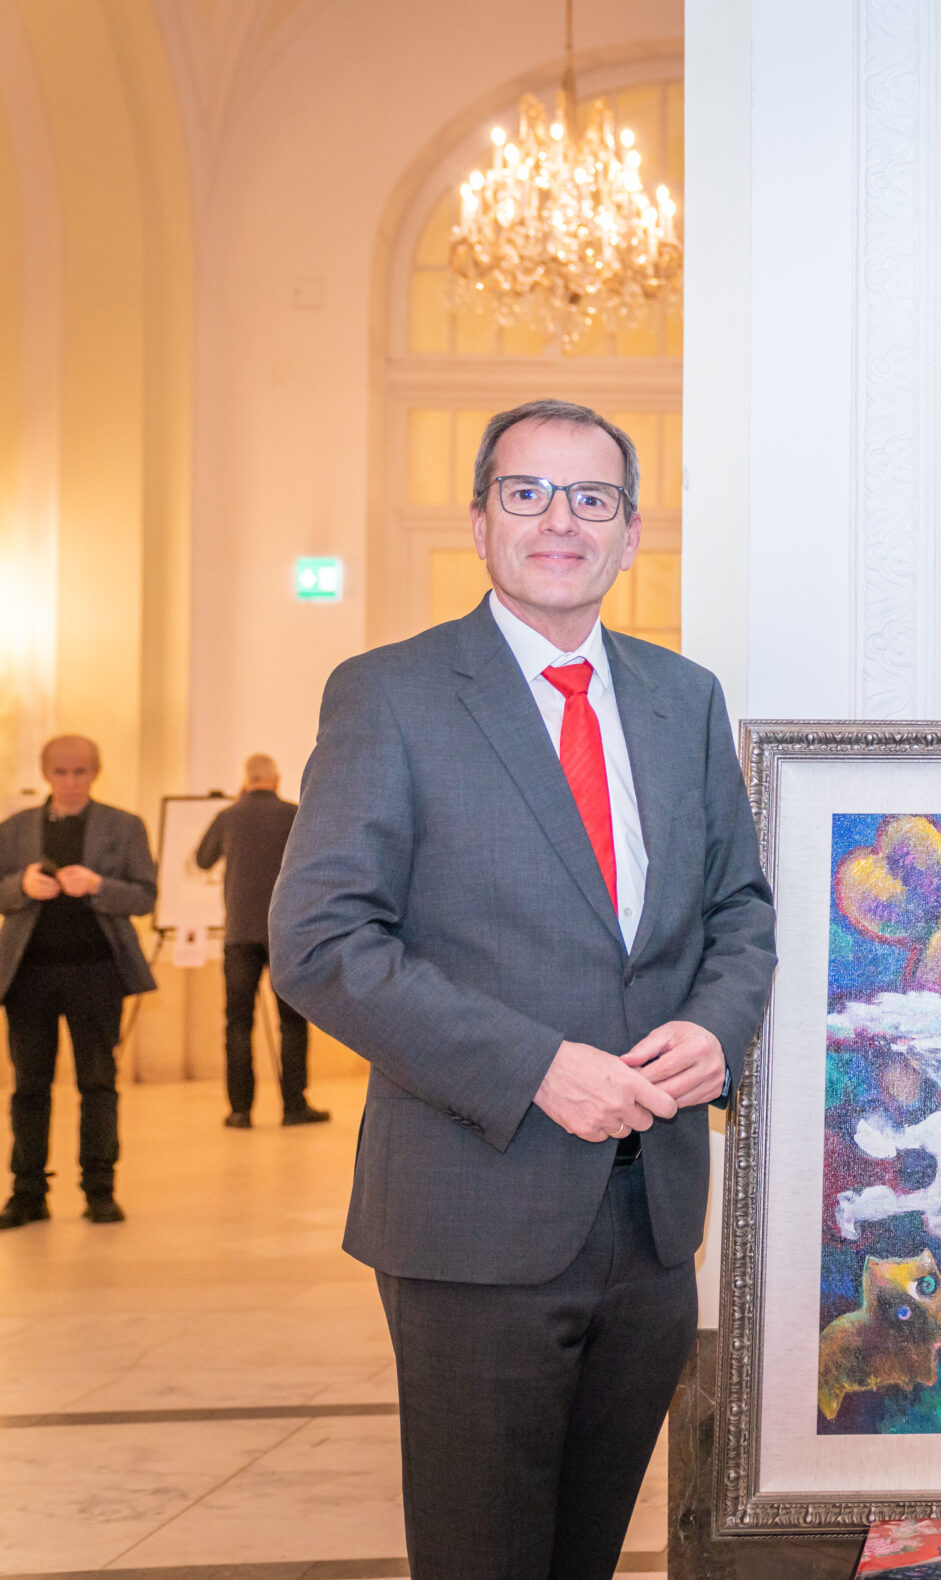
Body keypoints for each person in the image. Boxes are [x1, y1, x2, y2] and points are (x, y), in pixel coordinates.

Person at [271, 398, 776, 1580]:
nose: (561, 520)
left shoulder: (684, 697)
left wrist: (717, 1027)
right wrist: (536, 1066)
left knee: (585, 1554)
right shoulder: (391, 692)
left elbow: (740, 908)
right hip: (472, 1214)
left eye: (591, 497)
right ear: (481, 519)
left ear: (630, 533)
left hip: (653, 1224)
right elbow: (321, 938)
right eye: (528, 492)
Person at [0, 735, 158, 1228]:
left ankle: (99, 1189)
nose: (70, 782)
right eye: (61, 772)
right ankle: (27, 1192)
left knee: (98, 1083)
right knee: (29, 1087)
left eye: (80, 771)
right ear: (46, 773)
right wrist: (20, 886)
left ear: (96, 772)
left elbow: (145, 896)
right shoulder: (15, 829)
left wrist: (98, 886)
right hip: (29, 977)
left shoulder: (124, 826)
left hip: (97, 974)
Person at [196, 753, 327, 1129]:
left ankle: (240, 1110)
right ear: (277, 779)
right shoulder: (293, 814)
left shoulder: (228, 816)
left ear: (246, 780)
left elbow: (203, 860)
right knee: (292, 1022)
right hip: (285, 934)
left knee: (238, 1022)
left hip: (239, 934)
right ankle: (294, 1106)